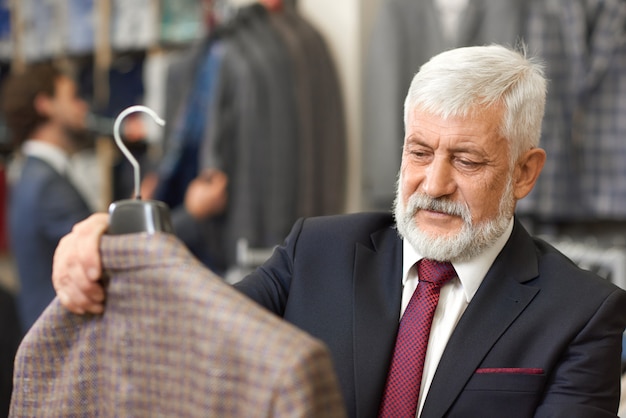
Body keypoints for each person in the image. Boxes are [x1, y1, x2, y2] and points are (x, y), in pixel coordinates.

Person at [51, 44, 626, 417]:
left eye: (468, 161)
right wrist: (111, 246)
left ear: (525, 172)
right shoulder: (316, 253)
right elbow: (185, 331)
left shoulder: (582, 314)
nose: (435, 182)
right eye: (419, 151)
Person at [1, 63, 94, 332]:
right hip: (63, 341)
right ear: (46, 105)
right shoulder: (47, 185)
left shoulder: (31, 174)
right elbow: (99, 257)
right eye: (73, 97)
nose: (83, 107)